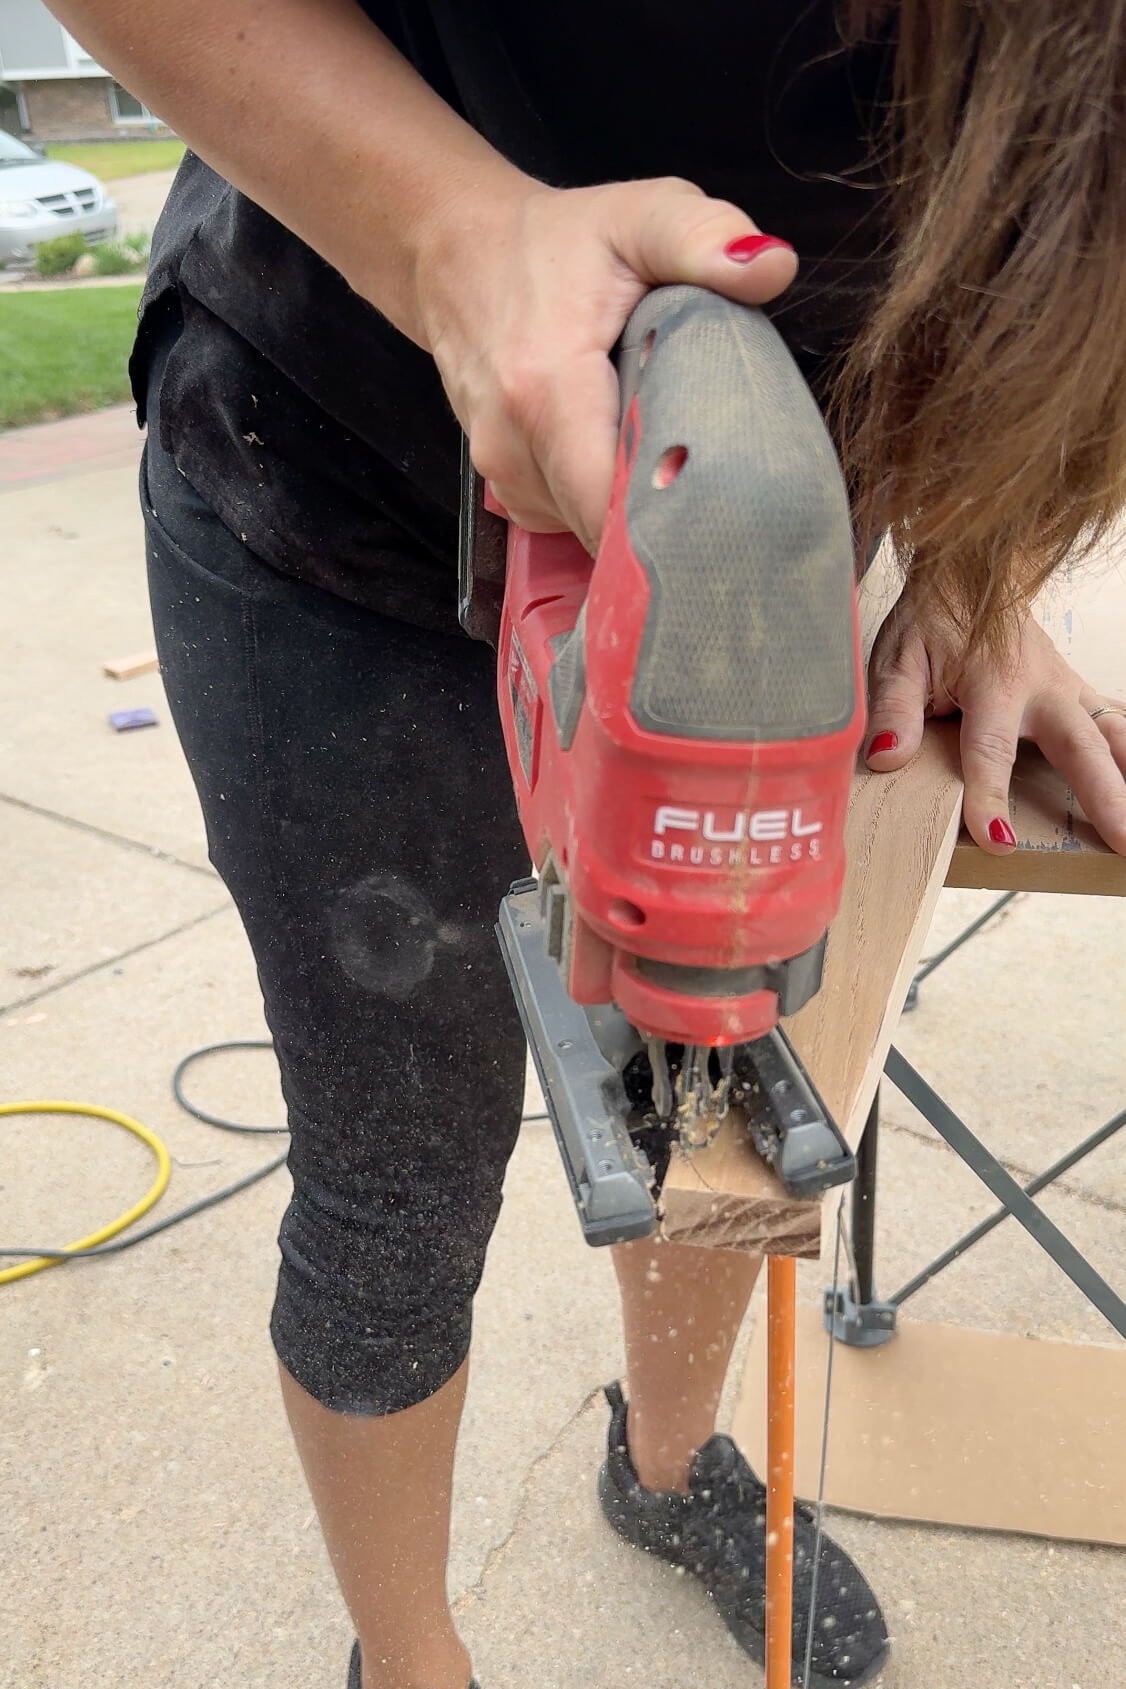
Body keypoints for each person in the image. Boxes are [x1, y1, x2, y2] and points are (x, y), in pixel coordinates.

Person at [51, 2, 1126, 1685]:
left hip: (746, 530)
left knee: (705, 1106)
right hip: (332, 470)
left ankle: (671, 1467)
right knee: (397, 1181)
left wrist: (977, 554)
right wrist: (449, 234)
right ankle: (410, 1663)